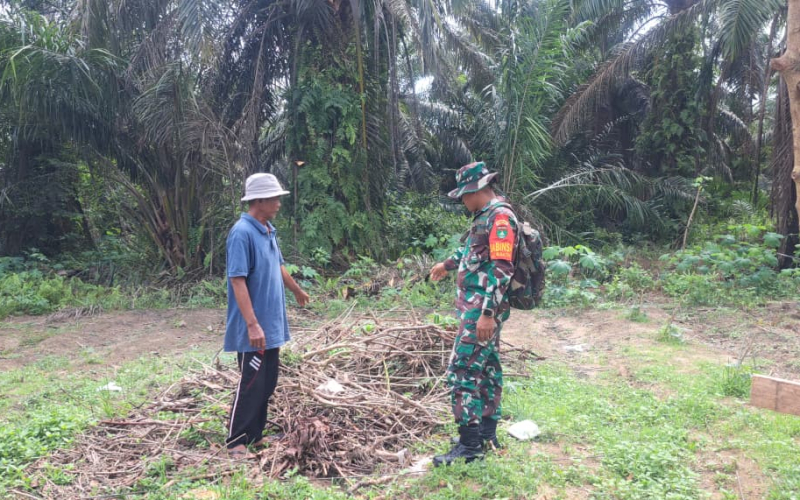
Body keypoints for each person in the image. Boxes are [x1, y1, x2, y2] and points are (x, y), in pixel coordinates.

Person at [429, 161, 518, 467]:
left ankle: (470, 447)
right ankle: (485, 434)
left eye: (465, 195)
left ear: (478, 190)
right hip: (478, 308)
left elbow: (503, 268)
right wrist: (446, 265)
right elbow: (469, 251)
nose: (463, 201)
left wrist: (487, 313)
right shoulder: (485, 217)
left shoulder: (501, 218)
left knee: (463, 371)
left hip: (482, 310)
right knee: (488, 367)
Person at [225, 172, 310, 459]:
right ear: (258, 200)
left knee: (267, 381)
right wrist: (252, 324)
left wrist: (297, 290)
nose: (278, 203)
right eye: (274, 198)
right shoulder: (242, 233)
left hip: (271, 325)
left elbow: (279, 266)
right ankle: (237, 440)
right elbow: (237, 280)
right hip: (255, 327)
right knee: (250, 382)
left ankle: (255, 435)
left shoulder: (267, 229)